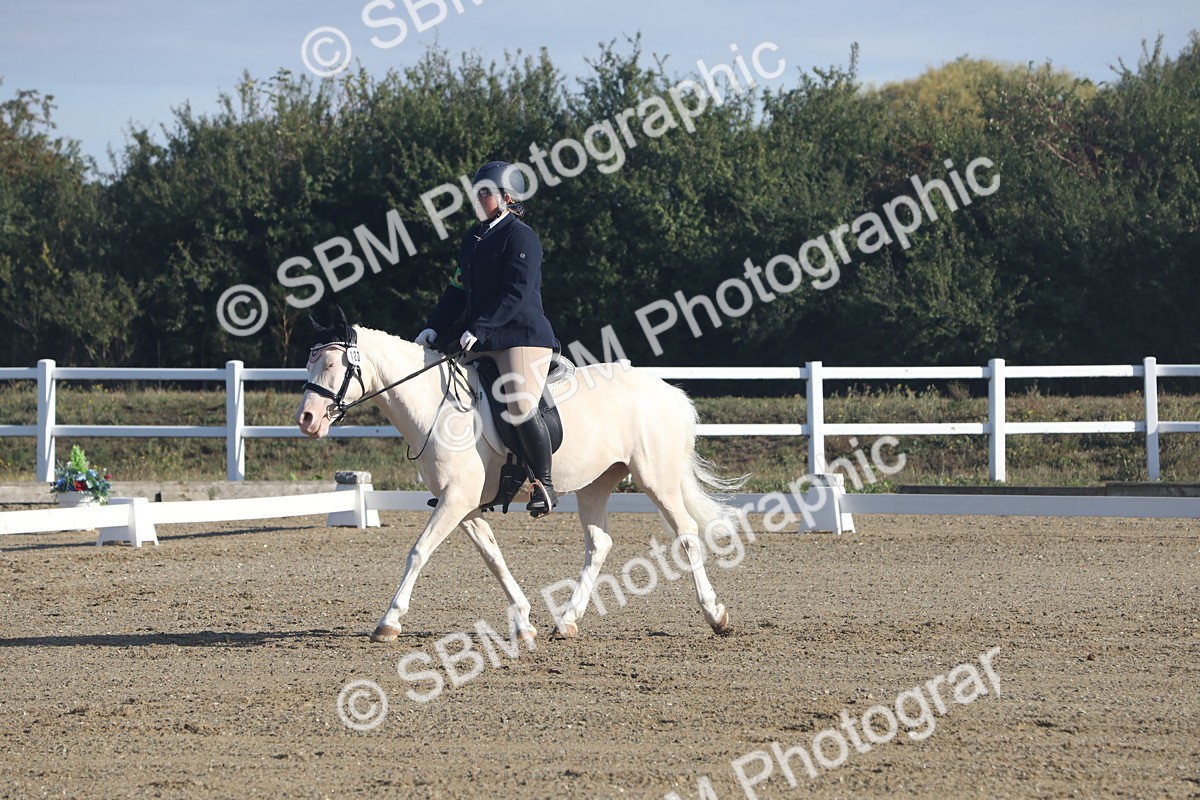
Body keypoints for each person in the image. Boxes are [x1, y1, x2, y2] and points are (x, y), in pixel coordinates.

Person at [415, 161, 560, 517]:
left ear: (508, 198)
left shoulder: (520, 236)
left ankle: (544, 483)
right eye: (475, 193)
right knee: (451, 394)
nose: (478, 199)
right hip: (484, 338)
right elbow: (455, 290)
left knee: (520, 404)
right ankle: (465, 480)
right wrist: (434, 326)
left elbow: (517, 293)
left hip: (520, 337)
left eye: (485, 193)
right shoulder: (473, 239)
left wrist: (479, 328)